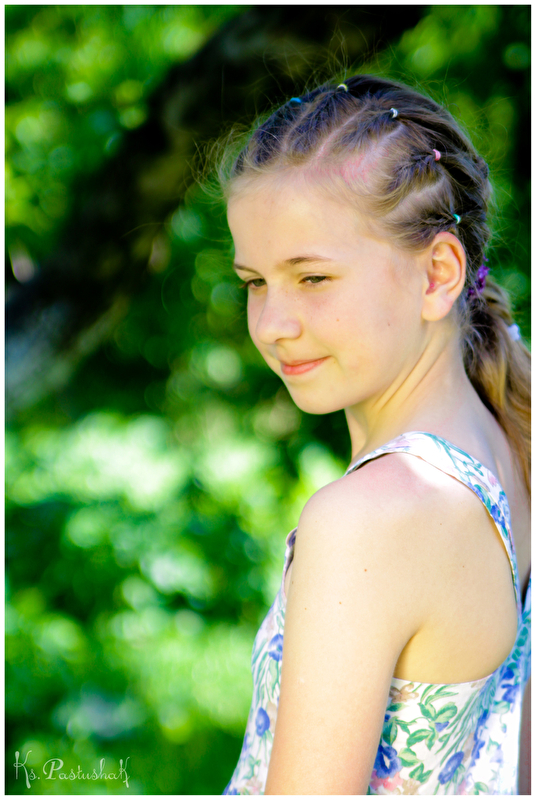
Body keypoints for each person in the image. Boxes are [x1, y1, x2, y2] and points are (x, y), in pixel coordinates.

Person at [217, 75, 530, 795]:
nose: (273, 325)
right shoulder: (509, 432)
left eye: (312, 278)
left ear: (437, 275)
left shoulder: (366, 520)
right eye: (254, 282)